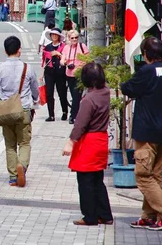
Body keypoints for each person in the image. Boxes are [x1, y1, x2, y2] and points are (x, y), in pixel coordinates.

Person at [62, 62, 114, 226]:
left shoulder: (89, 100)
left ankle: (90, 216)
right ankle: (105, 214)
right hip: (101, 139)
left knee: (85, 181)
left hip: (89, 141)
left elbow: (80, 124)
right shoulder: (105, 92)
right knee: (97, 179)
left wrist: (70, 142)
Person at [120, 37, 162, 230]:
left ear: (146, 54)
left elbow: (128, 88)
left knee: (143, 175)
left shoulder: (146, 71)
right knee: (157, 176)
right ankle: (150, 216)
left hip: (147, 131)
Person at [0, 36, 39, 187]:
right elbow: (35, 90)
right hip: (23, 110)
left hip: (7, 112)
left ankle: (13, 176)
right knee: (24, 142)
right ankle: (22, 166)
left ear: (5, 51)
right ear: (19, 50)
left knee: (10, 145)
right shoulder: (27, 68)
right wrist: (35, 100)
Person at [61, 30, 90, 124]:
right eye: (72, 38)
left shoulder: (82, 46)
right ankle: (79, 114)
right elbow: (62, 59)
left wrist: (81, 66)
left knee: (77, 96)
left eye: (76, 38)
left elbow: (88, 59)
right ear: (69, 38)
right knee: (74, 96)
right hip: (69, 74)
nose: (74, 39)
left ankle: (72, 116)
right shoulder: (66, 48)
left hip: (79, 75)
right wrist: (64, 62)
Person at [42, 28, 69, 122]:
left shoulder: (64, 47)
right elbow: (44, 60)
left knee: (62, 93)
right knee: (49, 93)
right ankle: (51, 115)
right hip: (49, 72)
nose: (54, 36)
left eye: (56, 35)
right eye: (52, 34)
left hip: (60, 72)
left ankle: (65, 112)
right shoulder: (47, 47)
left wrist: (58, 53)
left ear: (59, 36)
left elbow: (66, 58)